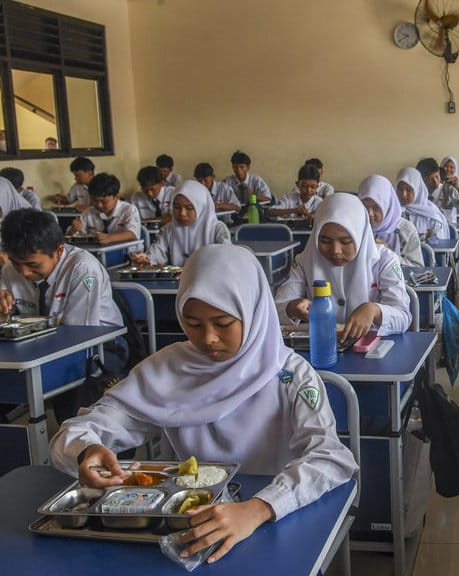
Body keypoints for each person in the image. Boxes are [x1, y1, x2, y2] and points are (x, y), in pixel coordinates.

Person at [49, 244, 358, 565]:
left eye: (223, 323)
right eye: (193, 324)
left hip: (274, 518)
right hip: (186, 526)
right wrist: (87, 450)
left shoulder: (292, 376)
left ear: (252, 310)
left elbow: (331, 459)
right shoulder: (167, 370)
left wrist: (258, 507)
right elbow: (76, 432)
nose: (208, 338)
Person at [275, 193, 411, 340]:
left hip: (370, 348)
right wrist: (291, 307)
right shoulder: (304, 261)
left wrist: (375, 310)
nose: (335, 251)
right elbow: (275, 310)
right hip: (320, 346)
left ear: (360, 236)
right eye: (325, 241)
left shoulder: (384, 260)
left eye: (346, 242)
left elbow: (403, 317)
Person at [0, 208, 120, 325]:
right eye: (15, 262)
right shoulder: (9, 270)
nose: (24, 272)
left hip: (100, 340)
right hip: (40, 339)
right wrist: (4, 310)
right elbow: (9, 320)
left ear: (59, 251)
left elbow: (80, 334)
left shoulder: (82, 269)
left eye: (32, 264)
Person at [132, 181, 231, 267]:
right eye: (176, 207)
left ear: (202, 208)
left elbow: (225, 260)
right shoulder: (169, 229)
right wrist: (146, 259)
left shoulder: (217, 229)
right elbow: (157, 252)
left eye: (189, 208)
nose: (182, 213)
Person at [358, 174, 424, 267]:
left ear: (387, 206)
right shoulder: (356, 228)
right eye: (365, 207)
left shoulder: (407, 230)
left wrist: (388, 254)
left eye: (376, 207)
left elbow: (417, 267)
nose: (370, 214)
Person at [68, 173, 142, 245]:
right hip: (98, 252)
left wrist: (110, 238)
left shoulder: (129, 210)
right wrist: (74, 229)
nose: (99, 205)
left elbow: (132, 233)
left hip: (126, 253)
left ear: (116, 196)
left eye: (104, 201)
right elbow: (70, 235)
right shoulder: (89, 212)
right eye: (95, 200)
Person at [396, 167, 450, 240]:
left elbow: (440, 242)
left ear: (417, 190)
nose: (404, 194)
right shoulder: (393, 212)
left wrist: (430, 237)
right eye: (400, 189)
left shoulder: (432, 214)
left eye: (408, 190)